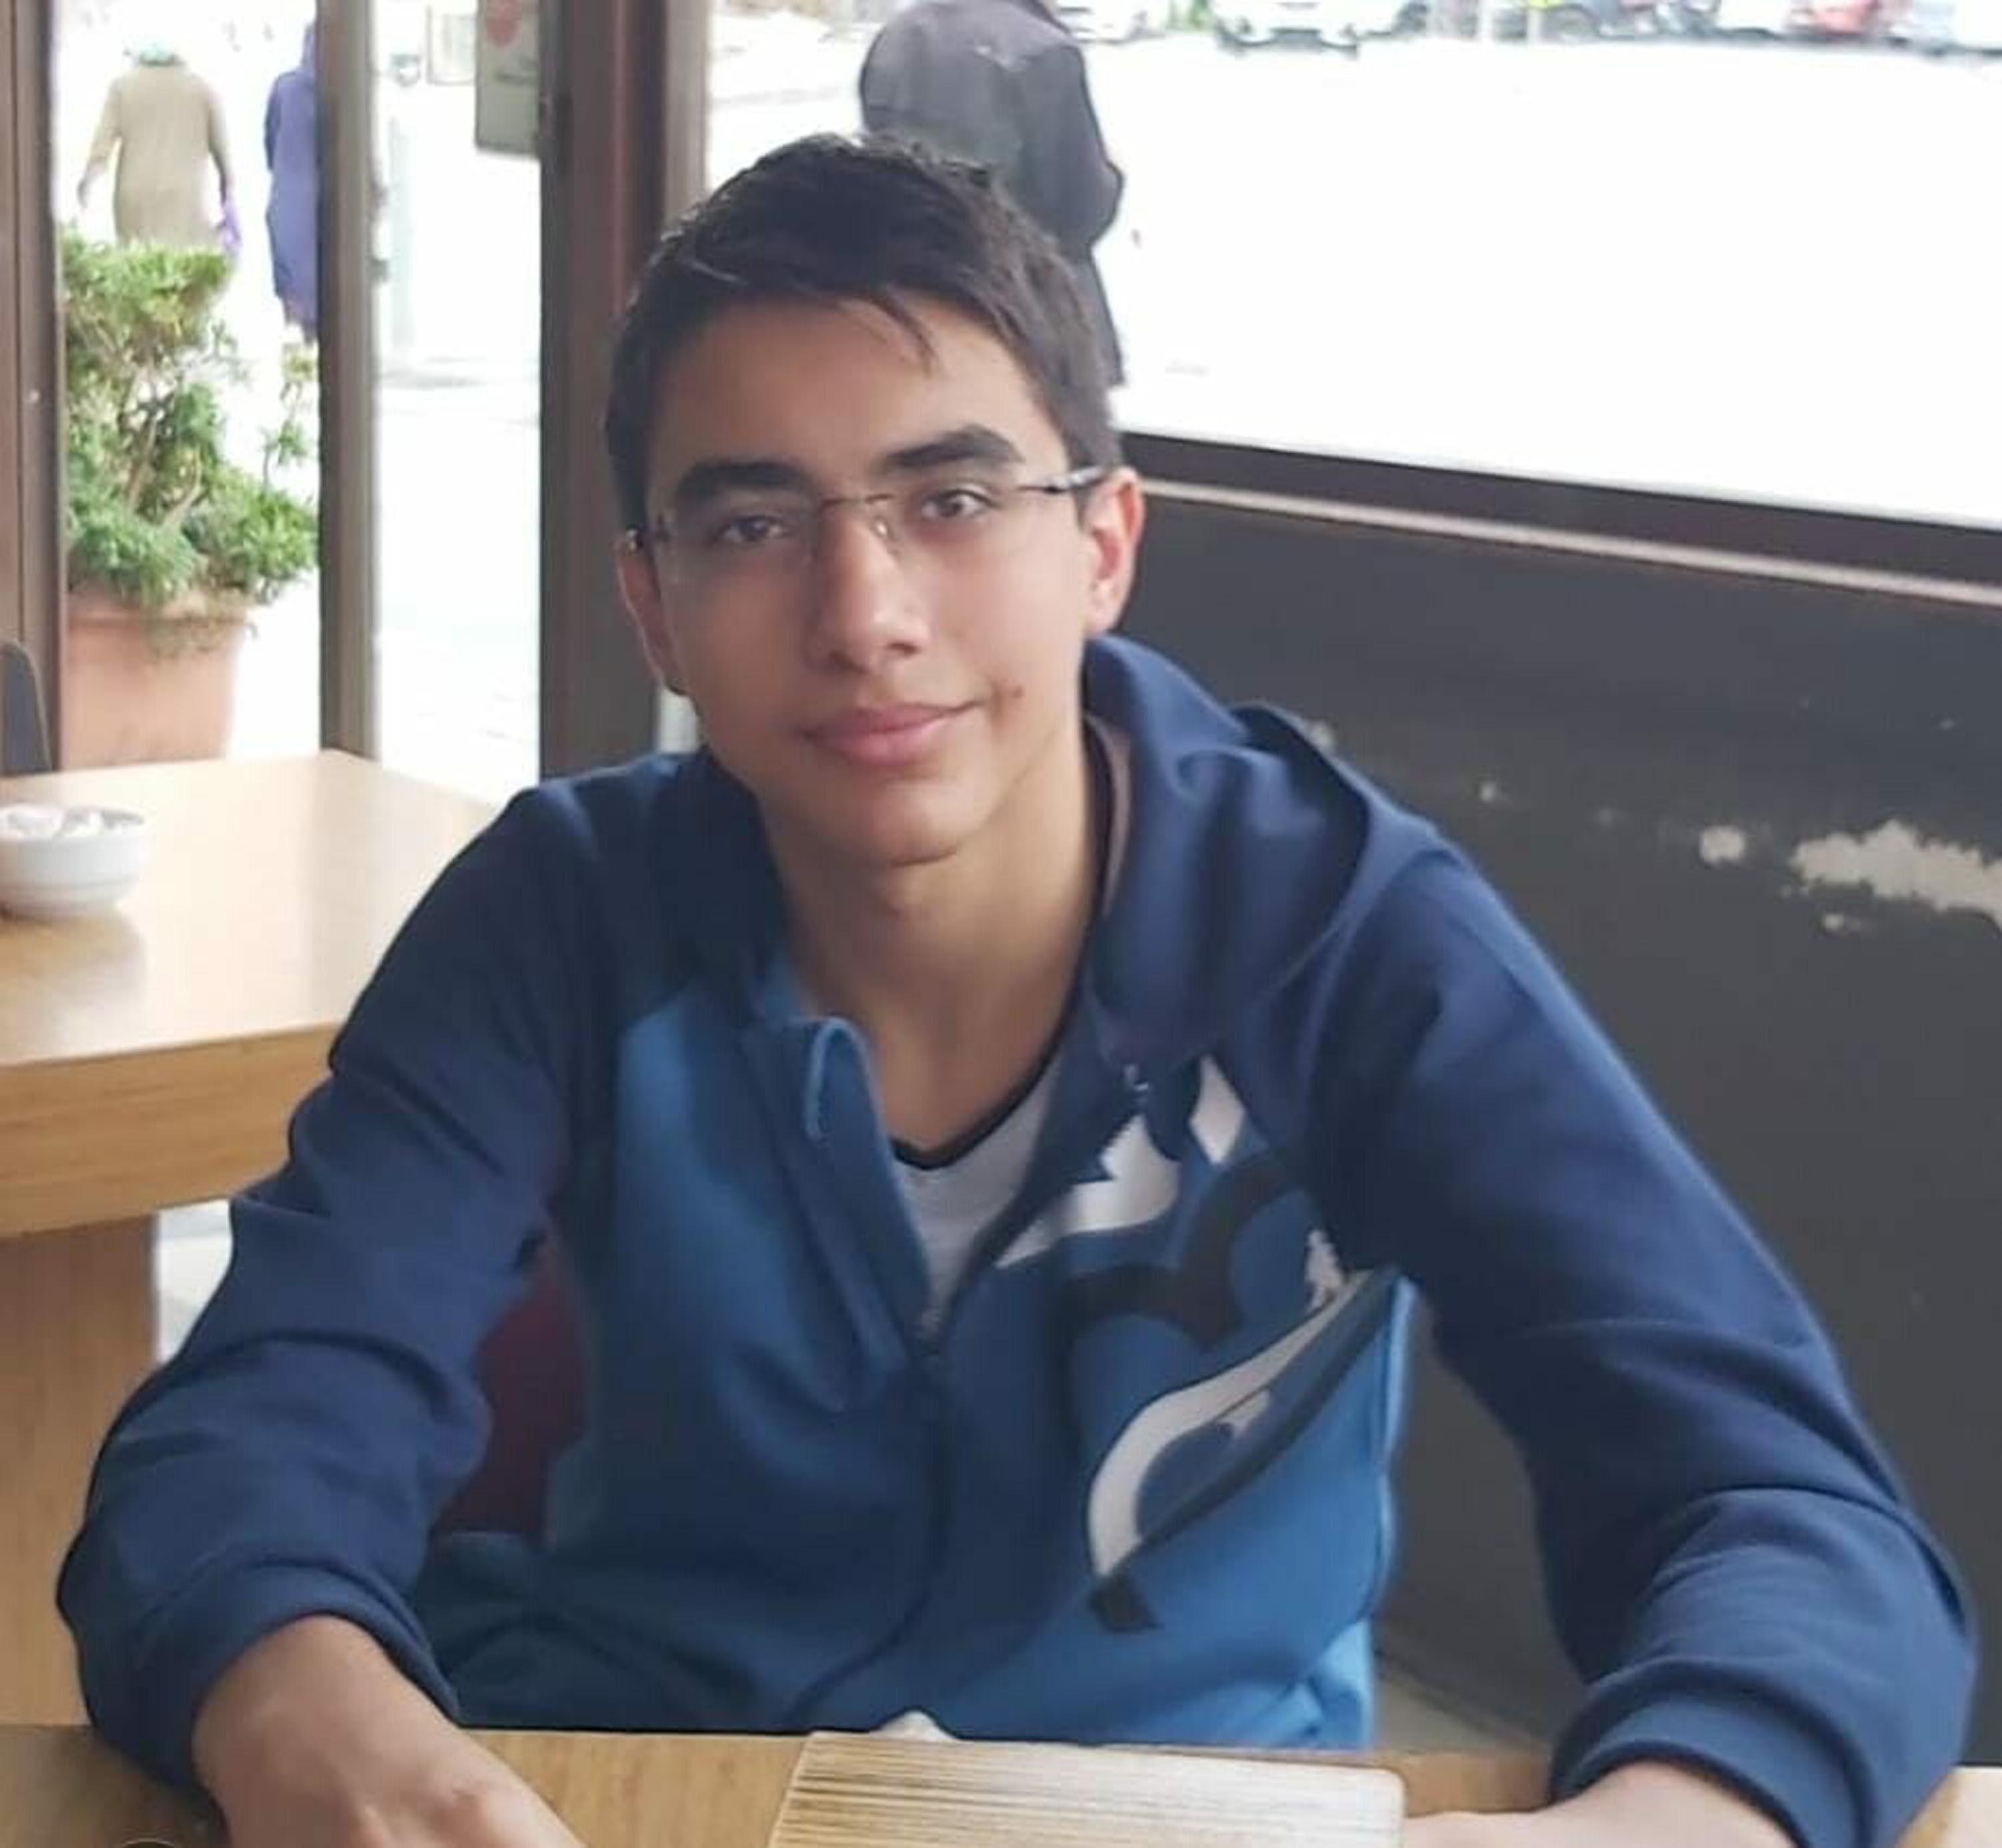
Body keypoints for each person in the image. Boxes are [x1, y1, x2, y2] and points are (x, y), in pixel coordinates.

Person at [62, 135, 1971, 1848]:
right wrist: (315, 1719)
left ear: (1102, 545)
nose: (866, 613)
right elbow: (252, 1429)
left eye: (954, 499)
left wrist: (1675, 1816)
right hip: (637, 1777)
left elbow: (1784, 1511)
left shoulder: (1338, 934)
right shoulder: (563, 917)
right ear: (651, 604)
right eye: (751, 525)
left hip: (1190, 1804)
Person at [860, 0, 1126, 383]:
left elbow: (874, 175)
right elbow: (1081, 209)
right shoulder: (1042, 49)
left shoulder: (895, 40)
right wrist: (1113, 177)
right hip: (1033, 310)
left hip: (922, 307)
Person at [77, 40, 237, 254]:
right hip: (184, 197)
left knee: (138, 265)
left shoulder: (122, 87)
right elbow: (221, 149)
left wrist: (88, 180)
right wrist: (227, 189)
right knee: (183, 265)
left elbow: (101, 144)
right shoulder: (202, 89)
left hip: (134, 196)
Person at [263, 25, 319, 341]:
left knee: (294, 294)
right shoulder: (344, 90)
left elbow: (270, 145)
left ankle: (300, 351)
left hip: (288, 201)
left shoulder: (285, 88)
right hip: (326, 204)